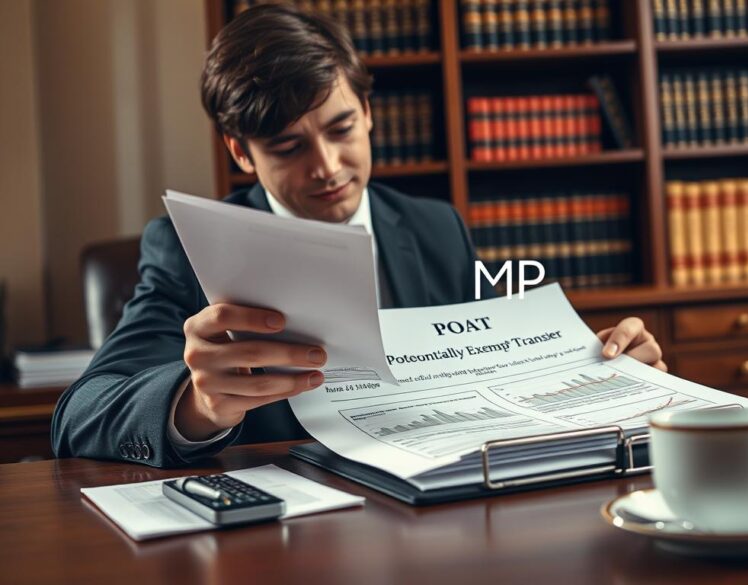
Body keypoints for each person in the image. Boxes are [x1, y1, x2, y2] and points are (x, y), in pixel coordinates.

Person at [51, 4, 665, 468]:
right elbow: (78, 418)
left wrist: (607, 369)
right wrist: (199, 406)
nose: (327, 166)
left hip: (430, 508)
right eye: (288, 146)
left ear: (369, 113)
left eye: (341, 128)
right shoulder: (186, 247)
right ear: (241, 151)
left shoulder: (435, 229)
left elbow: (493, 372)